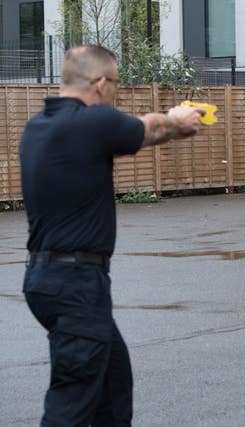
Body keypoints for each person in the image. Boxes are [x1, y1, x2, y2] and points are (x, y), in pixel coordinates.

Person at [19, 44, 204, 426]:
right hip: (76, 285)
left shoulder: (37, 127)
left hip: (45, 280)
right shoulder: (92, 122)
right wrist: (179, 118)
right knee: (70, 402)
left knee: (113, 381)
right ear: (101, 84)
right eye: (117, 83)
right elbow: (154, 127)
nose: (116, 91)